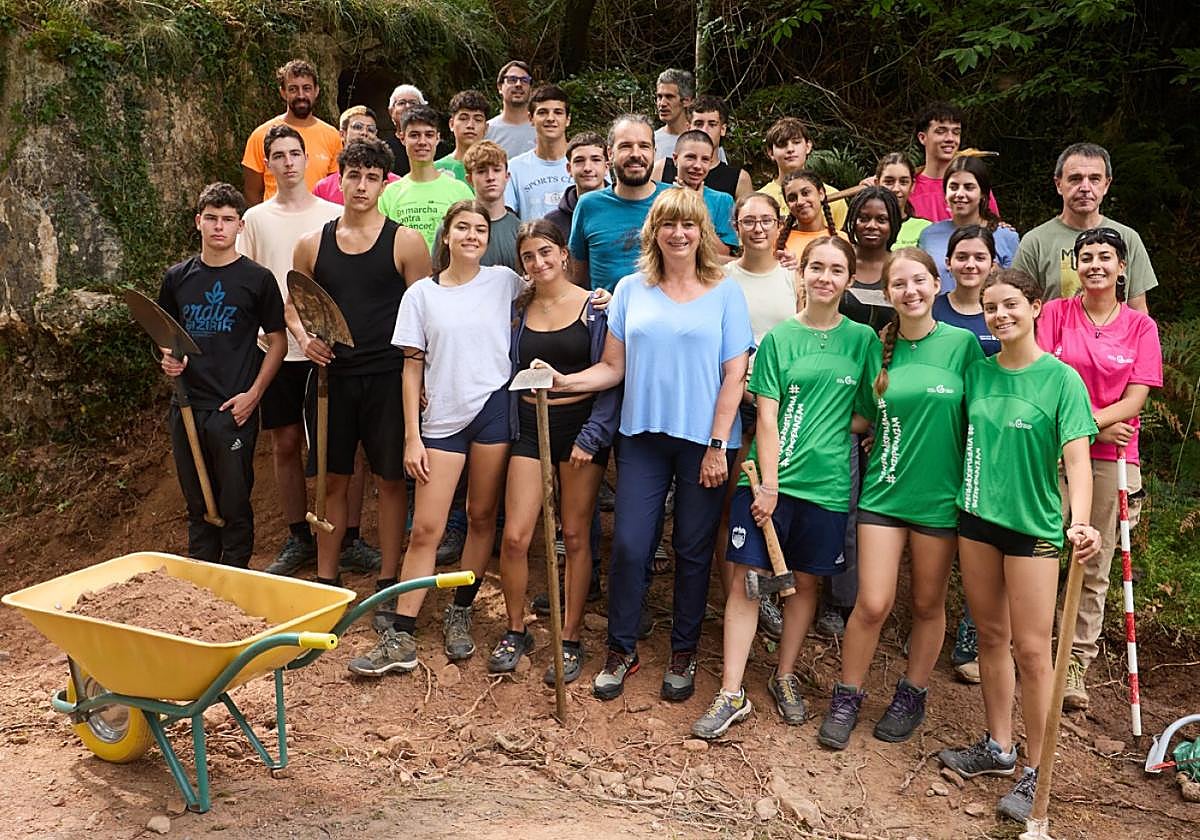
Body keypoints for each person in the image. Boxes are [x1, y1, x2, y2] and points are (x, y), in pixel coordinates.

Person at [544, 188, 752, 702]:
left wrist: (717, 445)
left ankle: (683, 650)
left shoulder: (724, 291)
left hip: (703, 442)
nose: (678, 234)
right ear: (653, 232)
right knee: (633, 545)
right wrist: (561, 382)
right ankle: (621, 647)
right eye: (668, 225)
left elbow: (734, 375)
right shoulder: (631, 289)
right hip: (641, 438)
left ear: (702, 232)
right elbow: (614, 367)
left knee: (692, 548)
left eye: (688, 225)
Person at [691, 236, 876, 738]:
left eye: (836, 270)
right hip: (771, 481)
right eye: (816, 267)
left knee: (806, 583)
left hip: (830, 485)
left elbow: (867, 413)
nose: (825, 277)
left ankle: (785, 674)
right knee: (746, 579)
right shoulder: (777, 341)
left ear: (849, 280)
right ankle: (731, 691)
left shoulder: (864, 341)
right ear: (802, 274)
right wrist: (768, 485)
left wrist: (833, 430)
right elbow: (766, 417)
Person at [937, 269, 1101, 824]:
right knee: (990, 636)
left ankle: (1038, 769)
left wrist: (1081, 522)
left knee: (1034, 650)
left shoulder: (1061, 380)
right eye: (989, 307)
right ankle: (998, 746)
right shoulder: (977, 375)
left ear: (1036, 306)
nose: (999, 315)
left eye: (1010, 304)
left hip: (1034, 528)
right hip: (978, 519)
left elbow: (1078, 460)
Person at [815, 249, 983, 750]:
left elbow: (984, 415)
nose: (909, 291)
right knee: (872, 602)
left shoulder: (963, 345)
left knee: (928, 604)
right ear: (887, 294)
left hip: (939, 498)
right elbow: (860, 416)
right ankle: (849, 694)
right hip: (884, 493)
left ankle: (912, 693)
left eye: (919, 281)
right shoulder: (878, 345)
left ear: (937, 284)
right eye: (898, 285)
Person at [291, 138, 431, 616]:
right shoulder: (312, 244)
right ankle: (327, 582)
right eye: (354, 174)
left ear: (384, 183)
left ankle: (388, 580)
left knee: (390, 481)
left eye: (373, 176)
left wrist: (423, 381)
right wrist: (305, 338)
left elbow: (424, 315)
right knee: (333, 480)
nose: (362, 185)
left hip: (388, 378)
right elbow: (296, 305)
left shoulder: (407, 243)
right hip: (333, 381)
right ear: (340, 178)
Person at [237, 125, 378, 576]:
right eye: (277, 155)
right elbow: (249, 280)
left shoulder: (332, 212)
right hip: (278, 347)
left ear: (307, 157)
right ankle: (298, 535)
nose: (288, 161)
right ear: (269, 164)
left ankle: (349, 536)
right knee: (286, 443)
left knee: (344, 446)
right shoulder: (255, 219)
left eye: (295, 153)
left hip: (331, 347)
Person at [1036, 227, 1162, 711]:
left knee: (1093, 559)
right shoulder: (1053, 314)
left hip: (1112, 457)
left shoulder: (1140, 327)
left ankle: (1074, 664)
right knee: (1039, 546)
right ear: (1076, 265)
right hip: (1051, 450)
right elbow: (1043, 377)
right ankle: (1025, 647)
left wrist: (1089, 426)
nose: (1095, 265)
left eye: (1105, 257)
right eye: (1086, 256)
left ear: (1122, 267)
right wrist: (1087, 430)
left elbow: (1136, 397)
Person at [490, 220, 619, 681]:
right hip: (528, 423)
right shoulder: (518, 309)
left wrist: (594, 435)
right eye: (529, 256)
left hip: (579, 426)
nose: (539, 263)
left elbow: (612, 373)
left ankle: (569, 636)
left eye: (546, 252)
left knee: (577, 535)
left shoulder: (595, 306)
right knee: (516, 536)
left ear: (564, 254)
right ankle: (515, 627)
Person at [157, 182, 286, 567]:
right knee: (196, 501)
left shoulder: (257, 279)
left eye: (228, 219)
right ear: (198, 222)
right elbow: (164, 337)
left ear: (240, 227)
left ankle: (235, 578)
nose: (219, 227)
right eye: (211, 218)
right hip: (186, 404)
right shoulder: (177, 278)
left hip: (233, 407)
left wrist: (254, 395)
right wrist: (166, 359)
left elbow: (277, 342)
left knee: (233, 501)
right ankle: (202, 587)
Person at [715, 191, 800, 639]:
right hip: (734, 401)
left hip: (784, 406)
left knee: (773, 497)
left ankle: (763, 590)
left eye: (767, 219)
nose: (759, 228)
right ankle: (732, 593)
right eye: (749, 220)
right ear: (736, 226)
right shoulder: (722, 277)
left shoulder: (794, 278)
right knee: (732, 502)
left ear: (778, 223)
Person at [1013, 142, 1158, 312]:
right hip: (1055, 337)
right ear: (1059, 184)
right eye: (1075, 179)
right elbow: (1019, 308)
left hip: (1115, 338)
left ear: (1106, 184)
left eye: (1094, 179)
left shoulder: (1127, 238)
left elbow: (1139, 310)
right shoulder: (1035, 242)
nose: (1085, 188)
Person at [569, 114, 671, 292]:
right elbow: (575, 278)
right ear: (610, 153)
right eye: (625, 146)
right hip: (607, 317)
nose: (636, 154)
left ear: (654, 152)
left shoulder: (674, 200)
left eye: (644, 146)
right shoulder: (589, 205)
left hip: (668, 314)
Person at [241, 59, 341, 205]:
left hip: (320, 222)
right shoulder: (261, 135)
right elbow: (252, 192)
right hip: (275, 222)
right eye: (293, 89)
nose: (301, 95)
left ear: (316, 91)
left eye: (306, 88)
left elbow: (335, 189)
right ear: (283, 92)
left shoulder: (332, 136)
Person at [377, 106, 474, 252]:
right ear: (402, 138)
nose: (422, 142)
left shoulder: (460, 190)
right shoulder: (389, 194)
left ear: (438, 138)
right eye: (414, 135)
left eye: (429, 135)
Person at [917, 156, 1018, 291]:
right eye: (953, 187)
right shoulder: (929, 235)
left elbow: (1016, 289)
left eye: (969, 187)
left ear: (983, 194)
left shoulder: (1005, 236)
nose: (959, 193)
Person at [907, 103, 1000, 223]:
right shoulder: (908, 186)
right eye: (941, 131)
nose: (950, 139)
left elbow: (994, 228)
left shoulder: (973, 185)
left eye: (956, 132)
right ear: (922, 138)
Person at [757, 117, 847, 228]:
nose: (790, 149)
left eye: (796, 142)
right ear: (770, 152)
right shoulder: (759, 199)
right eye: (782, 144)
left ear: (808, 146)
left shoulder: (833, 197)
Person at [660, 130, 738, 254]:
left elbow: (723, 253)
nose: (697, 165)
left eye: (705, 159)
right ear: (675, 159)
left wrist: (699, 209)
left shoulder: (723, 200)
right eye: (690, 157)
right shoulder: (659, 195)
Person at [505, 85, 574, 222]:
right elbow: (507, 219)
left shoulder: (589, 163)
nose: (550, 118)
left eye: (558, 112)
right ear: (530, 118)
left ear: (568, 120)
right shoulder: (514, 168)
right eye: (542, 112)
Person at [653, 94, 746, 196]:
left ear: (723, 129)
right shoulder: (662, 169)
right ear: (688, 128)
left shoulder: (738, 179)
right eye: (698, 124)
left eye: (712, 124)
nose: (704, 130)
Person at [839, 186, 902, 332]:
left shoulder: (902, 268)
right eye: (863, 218)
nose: (871, 226)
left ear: (893, 223)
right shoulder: (838, 262)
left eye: (881, 219)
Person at [933, 225, 1001, 358]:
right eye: (962, 257)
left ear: (992, 266)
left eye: (979, 258)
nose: (970, 265)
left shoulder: (1004, 313)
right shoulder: (931, 310)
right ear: (948, 263)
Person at [311, 106, 400, 204]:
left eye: (370, 129)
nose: (364, 133)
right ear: (342, 134)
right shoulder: (324, 187)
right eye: (357, 127)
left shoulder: (396, 185)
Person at [545, 131, 608, 239]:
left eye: (596, 160)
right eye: (579, 161)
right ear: (569, 169)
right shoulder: (552, 224)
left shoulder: (624, 210)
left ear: (607, 167)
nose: (587, 168)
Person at [776, 170, 844, 261]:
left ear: (821, 194)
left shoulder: (842, 239)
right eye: (792, 198)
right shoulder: (777, 241)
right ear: (787, 205)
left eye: (805, 193)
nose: (800, 202)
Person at [383, 84, 447, 177]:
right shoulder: (384, 150)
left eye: (413, 103)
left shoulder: (441, 149)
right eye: (401, 103)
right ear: (391, 111)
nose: (408, 106)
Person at [876, 153, 930, 250]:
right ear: (877, 184)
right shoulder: (865, 227)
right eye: (889, 182)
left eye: (903, 182)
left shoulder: (925, 228)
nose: (896, 189)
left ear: (912, 185)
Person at [435, 89, 490, 183]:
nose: (470, 125)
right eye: (463, 118)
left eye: (478, 119)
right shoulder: (436, 170)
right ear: (451, 124)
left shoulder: (495, 169)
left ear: (486, 128)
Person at [487, 61, 536, 158]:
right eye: (512, 80)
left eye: (524, 80)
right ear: (500, 87)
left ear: (531, 89)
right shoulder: (487, 130)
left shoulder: (542, 128)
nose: (518, 84)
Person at [653, 69, 695, 161]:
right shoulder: (650, 141)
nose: (662, 103)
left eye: (669, 97)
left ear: (686, 101)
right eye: (659, 97)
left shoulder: (704, 141)